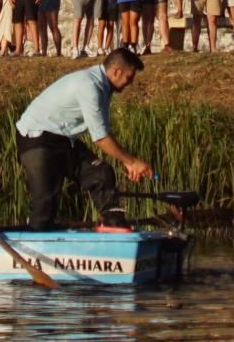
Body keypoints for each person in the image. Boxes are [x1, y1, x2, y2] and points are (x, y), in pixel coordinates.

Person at [15, 49, 153, 231]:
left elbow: (103, 132)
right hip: (36, 137)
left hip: (63, 139)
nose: (131, 82)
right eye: (129, 77)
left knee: (101, 172)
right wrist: (131, 161)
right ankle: (36, 239)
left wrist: (128, 162)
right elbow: (100, 137)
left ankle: (112, 225)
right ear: (117, 71)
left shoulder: (103, 87)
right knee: (44, 202)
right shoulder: (89, 86)